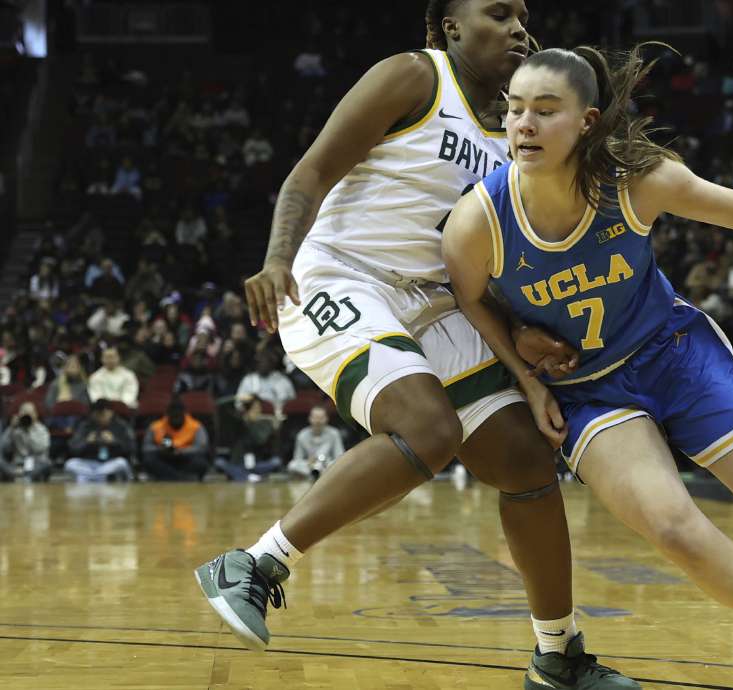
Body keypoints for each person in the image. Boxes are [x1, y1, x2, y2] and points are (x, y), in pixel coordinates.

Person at [443, 45, 733, 690]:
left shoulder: (637, 181)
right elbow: (471, 298)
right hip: (588, 390)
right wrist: (526, 375)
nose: (524, 124)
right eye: (515, 109)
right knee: (673, 526)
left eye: (546, 110)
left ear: (586, 121)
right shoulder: (479, 222)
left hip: (672, 352)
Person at [193, 4, 636, 688]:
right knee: (427, 430)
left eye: (524, 14)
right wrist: (279, 257)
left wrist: (522, 340)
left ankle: (558, 655)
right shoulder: (413, 77)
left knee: (525, 461)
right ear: (450, 27)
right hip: (340, 275)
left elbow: (488, 269)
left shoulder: (522, 140)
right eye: (497, 12)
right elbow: (309, 174)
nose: (519, 26)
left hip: (437, 303)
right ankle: (254, 564)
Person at [64, 400, 136, 482]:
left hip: (111, 462)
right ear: (93, 414)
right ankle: (98, 476)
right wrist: (86, 442)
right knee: (70, 464)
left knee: (121, 463)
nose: (100, 417)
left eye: (104, 414)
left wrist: (114, 441)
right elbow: (73, 448)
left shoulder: (121, 426)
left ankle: (92, 477)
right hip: (89, 463)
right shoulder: (85, 426)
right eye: (97, 414)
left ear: (111, 413)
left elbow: (130, 448)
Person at [142, 397, 211, 480]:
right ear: (168, 414)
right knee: (149, 461)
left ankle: (171, 477)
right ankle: (180, 477)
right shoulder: (156, 426)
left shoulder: (196, 426)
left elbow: (201, 447)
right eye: (173, 416)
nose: (176, 419)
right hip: (164, 458)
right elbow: (146, 448)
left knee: (201, 463)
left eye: (178, 416)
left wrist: (182, 451)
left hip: (186, 458)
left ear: (184, 414)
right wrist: (160, 449)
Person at [287, 405, 345, 479]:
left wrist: (327, 462)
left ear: (326, 419)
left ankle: (319, 475)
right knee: (292, 465)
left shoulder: (334, 433)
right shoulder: (302, 435)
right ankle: (316, 475)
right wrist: (308, 462)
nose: (318, 421)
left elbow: (340, 456)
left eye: (321, 418)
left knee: (338, 465)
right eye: (315, 418)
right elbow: (297, 458)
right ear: (310, 419)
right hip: (309, 466)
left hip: (327, 466)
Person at [1, 402, 53, 482]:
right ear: (19, 414)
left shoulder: (42, 429)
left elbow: (39, 449)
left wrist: (28, 431)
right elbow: (4, 449)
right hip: (17, 464)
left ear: (35, 415)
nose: (27, 415)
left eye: (29, 413)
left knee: (47, 464)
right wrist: (11, 429)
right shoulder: (14, 429)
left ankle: (22, 476)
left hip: (36, 463)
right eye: (24, 412)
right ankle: (22, 475)